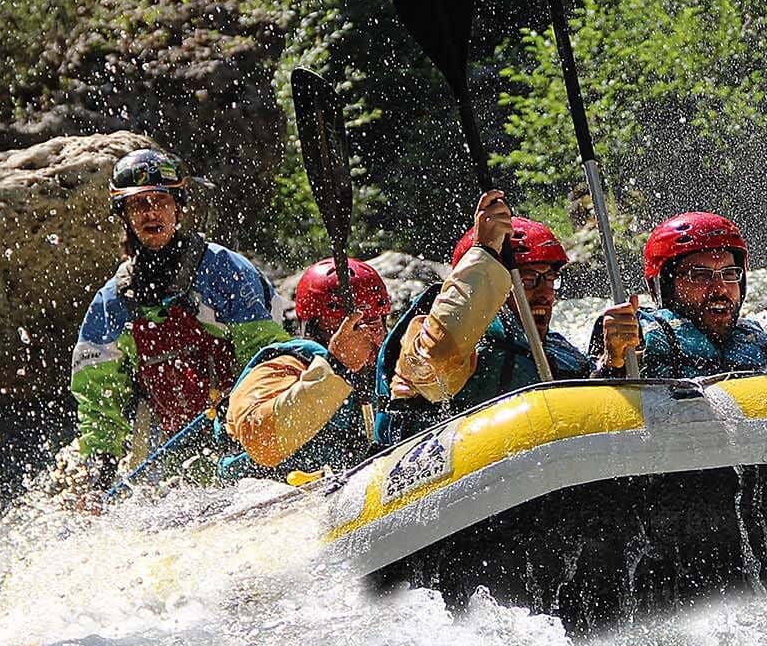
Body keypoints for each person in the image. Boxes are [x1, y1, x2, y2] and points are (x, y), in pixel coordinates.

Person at [67, 147, 289, 489]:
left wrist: (257, 433)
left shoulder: (225, 270)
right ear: (124, 215)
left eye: (161, 201)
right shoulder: (111, 304)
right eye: (139, 204)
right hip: (175, 454)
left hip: (249, 431)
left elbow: (267, 358)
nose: (151, 212)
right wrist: (99, 474)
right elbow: (99, 400)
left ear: (179, 207)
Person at [373, 191, 600, 445]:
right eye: (527, 281)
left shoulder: (558, 350)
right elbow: (433, 363)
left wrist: (612, 362)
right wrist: (483, 254)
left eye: (549, 279)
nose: (545, 294)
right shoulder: (429, 334)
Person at [218, 257, 393, 481]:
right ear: (314, 328)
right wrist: (337, 367)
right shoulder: (282, 365)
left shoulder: (385, 373)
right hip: (266, 498)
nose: (366, 337)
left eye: (374, 323)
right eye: (349, 327)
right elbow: (260, 441)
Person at [591, 211, 767, 379]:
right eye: (700, 275)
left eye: (729, 274)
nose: (720, 289)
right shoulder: (636, 335)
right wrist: (613, 363)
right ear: (664, 287)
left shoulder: (762, 345)